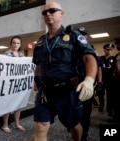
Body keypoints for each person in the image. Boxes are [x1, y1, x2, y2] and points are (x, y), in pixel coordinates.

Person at [32, 1, 98, 141]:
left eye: (52, 10)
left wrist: (89, 80)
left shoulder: (73, 36)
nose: (48, 14)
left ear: (61, 14)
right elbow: (38, 65)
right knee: (41, 126)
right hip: (45, 92)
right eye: (45, 12)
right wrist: (36, 80)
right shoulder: (40, 42)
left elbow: (90, 58)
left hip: (67, 91)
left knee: (73, 125)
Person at [77, 27, 102, 141]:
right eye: (80, 34)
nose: (82, 36)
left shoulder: (91, 49)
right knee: (73, 109)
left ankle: (84, 135)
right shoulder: (72, 48)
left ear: (87, 36)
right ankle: (76, 130)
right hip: (73, 84)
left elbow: (99, 66)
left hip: (87, 82)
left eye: (84, 34)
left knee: (86, 111)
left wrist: (99, 82)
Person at [1, 36, 26, 134]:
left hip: (18, 84)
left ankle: (17, 123)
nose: (16, 45)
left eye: (18, 43)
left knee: (18, 105)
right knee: (7, 104)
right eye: (14, 43)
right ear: (11, 44)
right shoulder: (6, 54)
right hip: (9, 83)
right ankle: (5, 125)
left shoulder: (21, 55)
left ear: (20, 44)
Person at [107, 37, 120, 123]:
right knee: (116, 101)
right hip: (115, 82)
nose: (116, 45)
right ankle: (116, 117)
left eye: (117, 43)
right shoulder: (118, 54)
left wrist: (118, 62)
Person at [99, 43, 115, 114]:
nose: (108, 51)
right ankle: (101, 105)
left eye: (110, 50)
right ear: (104, 50)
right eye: (107, 49)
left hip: (110, 80)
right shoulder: (100, 58)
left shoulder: (114, 59)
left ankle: (109, 109)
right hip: (102, 79)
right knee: (100, 94)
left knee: (110, 95)